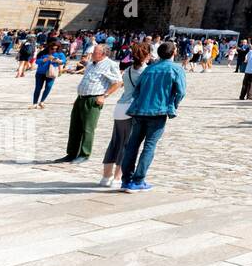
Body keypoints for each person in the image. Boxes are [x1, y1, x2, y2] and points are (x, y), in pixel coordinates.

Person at [120, 41, 187, 192]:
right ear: (174, 53)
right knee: (149, 146)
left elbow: (138, 89)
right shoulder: (176, 68)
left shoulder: (149, 68)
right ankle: (138, 181)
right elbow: (181, 92)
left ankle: (126, 180)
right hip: (158, 111)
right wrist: (173, 104)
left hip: (139, 110)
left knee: (132, 145)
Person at [59, 43, 122, 163]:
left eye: (95, 52)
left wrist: (104, 96)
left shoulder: (110, 65)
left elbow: (118, 82)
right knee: (74, 127)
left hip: (93, 99)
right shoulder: (91, 64)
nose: (92, 54)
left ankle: (84, 153)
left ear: (103, 54)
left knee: (88, 128)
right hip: (81, 98)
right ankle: (71, 153)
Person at [100, 42, 150, 187]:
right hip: (132, 109)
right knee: (127, 145)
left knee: (115, 142)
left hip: (120, 107)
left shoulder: (128, 69)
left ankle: (105, 177)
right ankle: (117, 178)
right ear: (146, 56)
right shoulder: (146, 72)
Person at [31, 41, 67, 108]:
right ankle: (35, 103)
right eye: (52, 48)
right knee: (38, 88)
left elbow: (64, 61)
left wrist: (58, 61)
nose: (54, 50)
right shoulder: (43, 53)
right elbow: (37, 61)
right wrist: (45, 59)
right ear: (49, 47)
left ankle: (42, 101)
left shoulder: (60, 54)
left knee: (48, 87)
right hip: (40, 73)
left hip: (51, 73)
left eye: (56, 48)